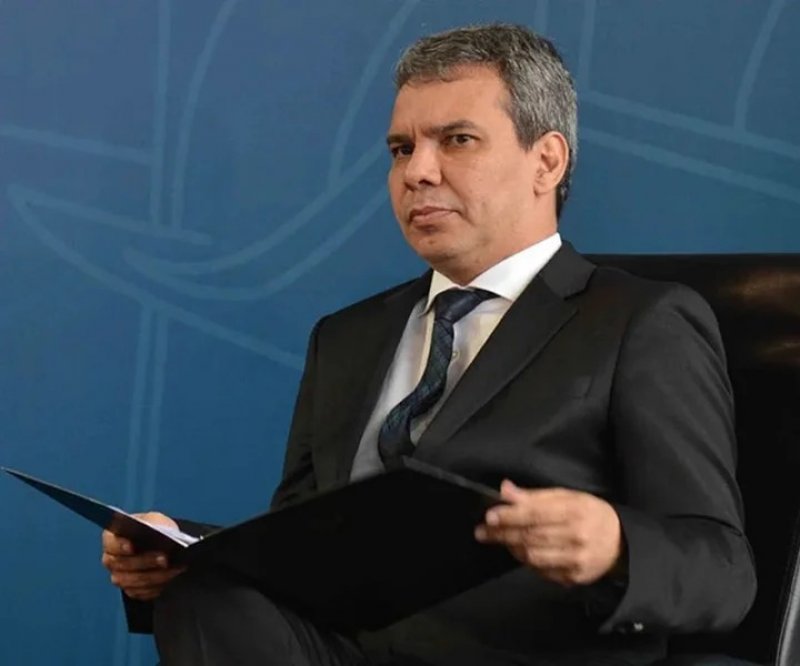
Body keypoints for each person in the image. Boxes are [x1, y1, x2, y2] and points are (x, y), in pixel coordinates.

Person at [100, 23, 756, 666]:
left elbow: (723, 572)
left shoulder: (639, 321)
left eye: (457, 140)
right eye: (400, 148)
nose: (417, 171)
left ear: (547, 161)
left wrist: (616, 545)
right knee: (202, 594)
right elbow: (294, 551)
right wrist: (180, 550)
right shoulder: (346, 338)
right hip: (340, 649)